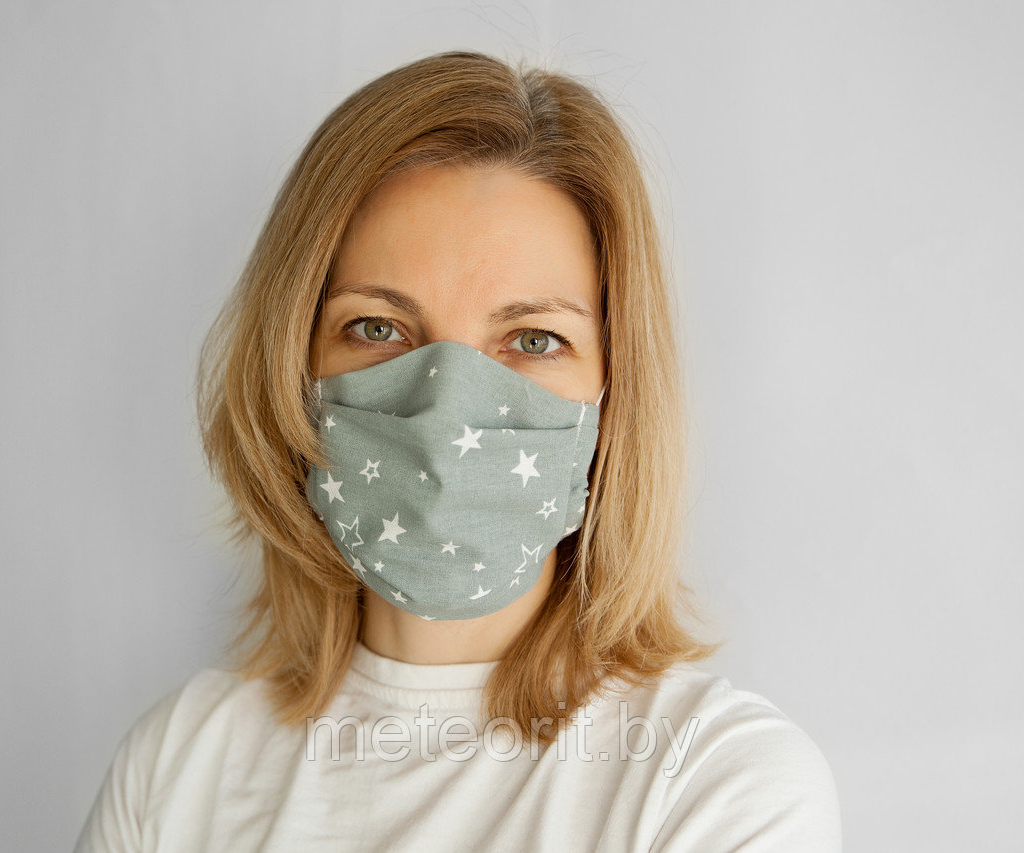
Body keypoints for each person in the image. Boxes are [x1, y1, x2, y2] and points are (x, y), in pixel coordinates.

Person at [74, 50, 842, 852]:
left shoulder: (716, 783)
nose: (446, 410)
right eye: (378, 328)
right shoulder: (176, 765)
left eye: (533, 339)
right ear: (291, 368)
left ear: (615, 393)